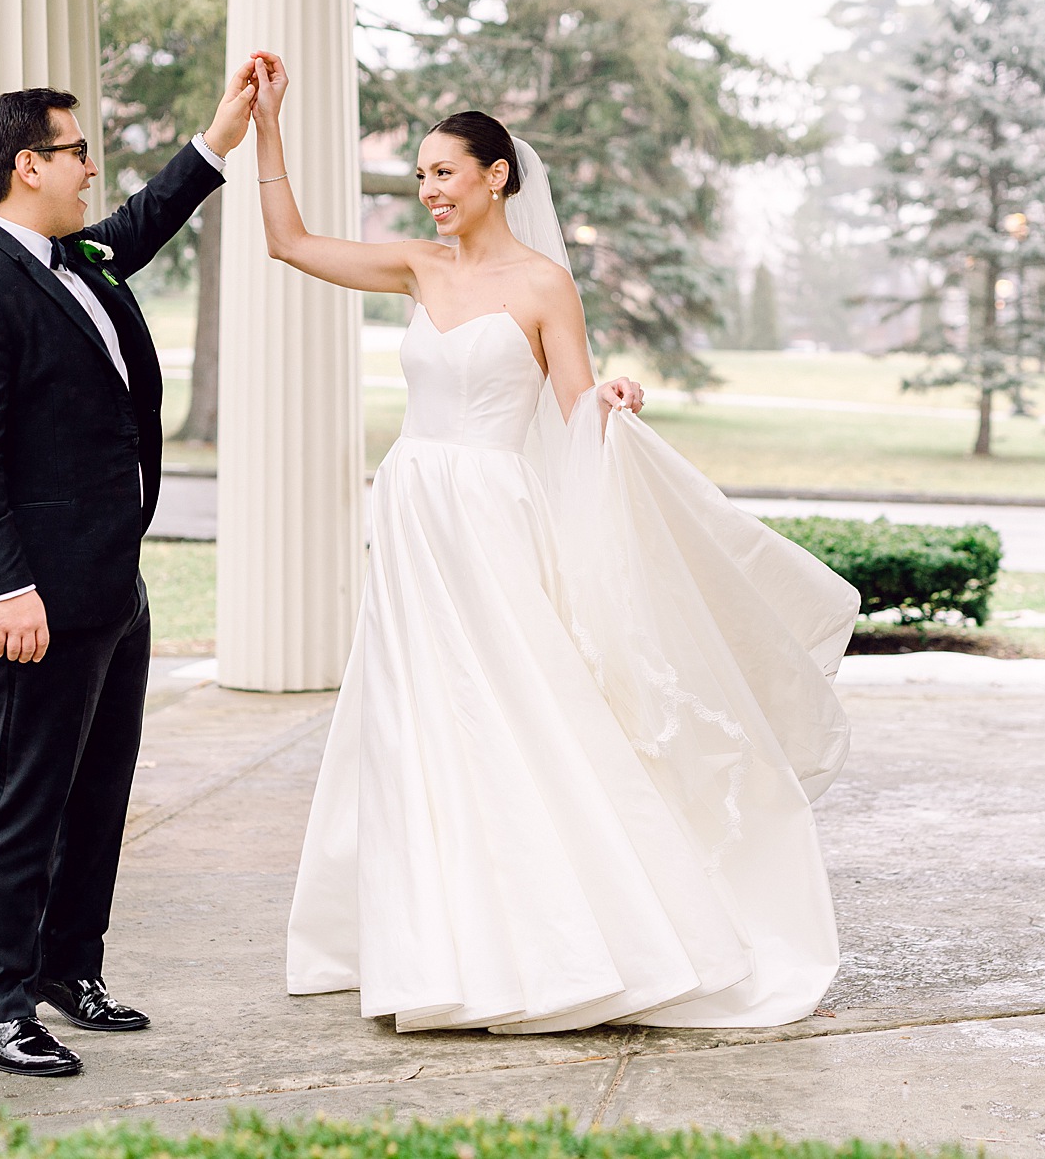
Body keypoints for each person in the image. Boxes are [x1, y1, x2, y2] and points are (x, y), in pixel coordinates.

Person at [246, 50, 861, 1032]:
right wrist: (268, 126)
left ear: (496, 176)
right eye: (420, 176)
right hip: (412, 510)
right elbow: (286, 242)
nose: (428, 190)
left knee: (513, 703)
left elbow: (575, 408)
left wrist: (610, 398)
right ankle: (428, 947)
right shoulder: (414, 263)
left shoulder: (542, 285)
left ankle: (573, 936)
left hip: (491, 514)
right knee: (415, 716)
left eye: (443, 172)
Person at [0, 70, 257, 1077]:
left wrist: (219, 138)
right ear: (29, 165)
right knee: (19, 802)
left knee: (94, 793)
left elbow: (143, 222)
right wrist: (8, 587)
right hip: (25, 600)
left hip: (106, 583)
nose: (89, 167)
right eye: (75, 151)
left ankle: (69, 969)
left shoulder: (73, 257)